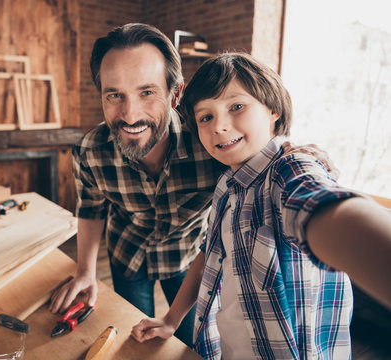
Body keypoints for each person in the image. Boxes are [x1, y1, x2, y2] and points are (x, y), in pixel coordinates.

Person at [49, 23, 336, 347]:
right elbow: (91, 207)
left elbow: (273, 167)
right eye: (115, 95)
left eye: (147, 92)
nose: (129, 115)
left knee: (189, 343)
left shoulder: (213, 142)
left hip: (187, 256)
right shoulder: (89, 151)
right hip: (126, 253)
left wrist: (296, 154)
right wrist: (86, 271)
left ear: (175, 94)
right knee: (137, 338)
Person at [131, 52, 391, 359]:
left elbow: (327, 209)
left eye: (236, 106)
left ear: (273, 110)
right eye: (206, 117)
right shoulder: (228, 186)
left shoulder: (290, 169)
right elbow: (209, 255)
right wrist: (171, 319)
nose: (219, 126)